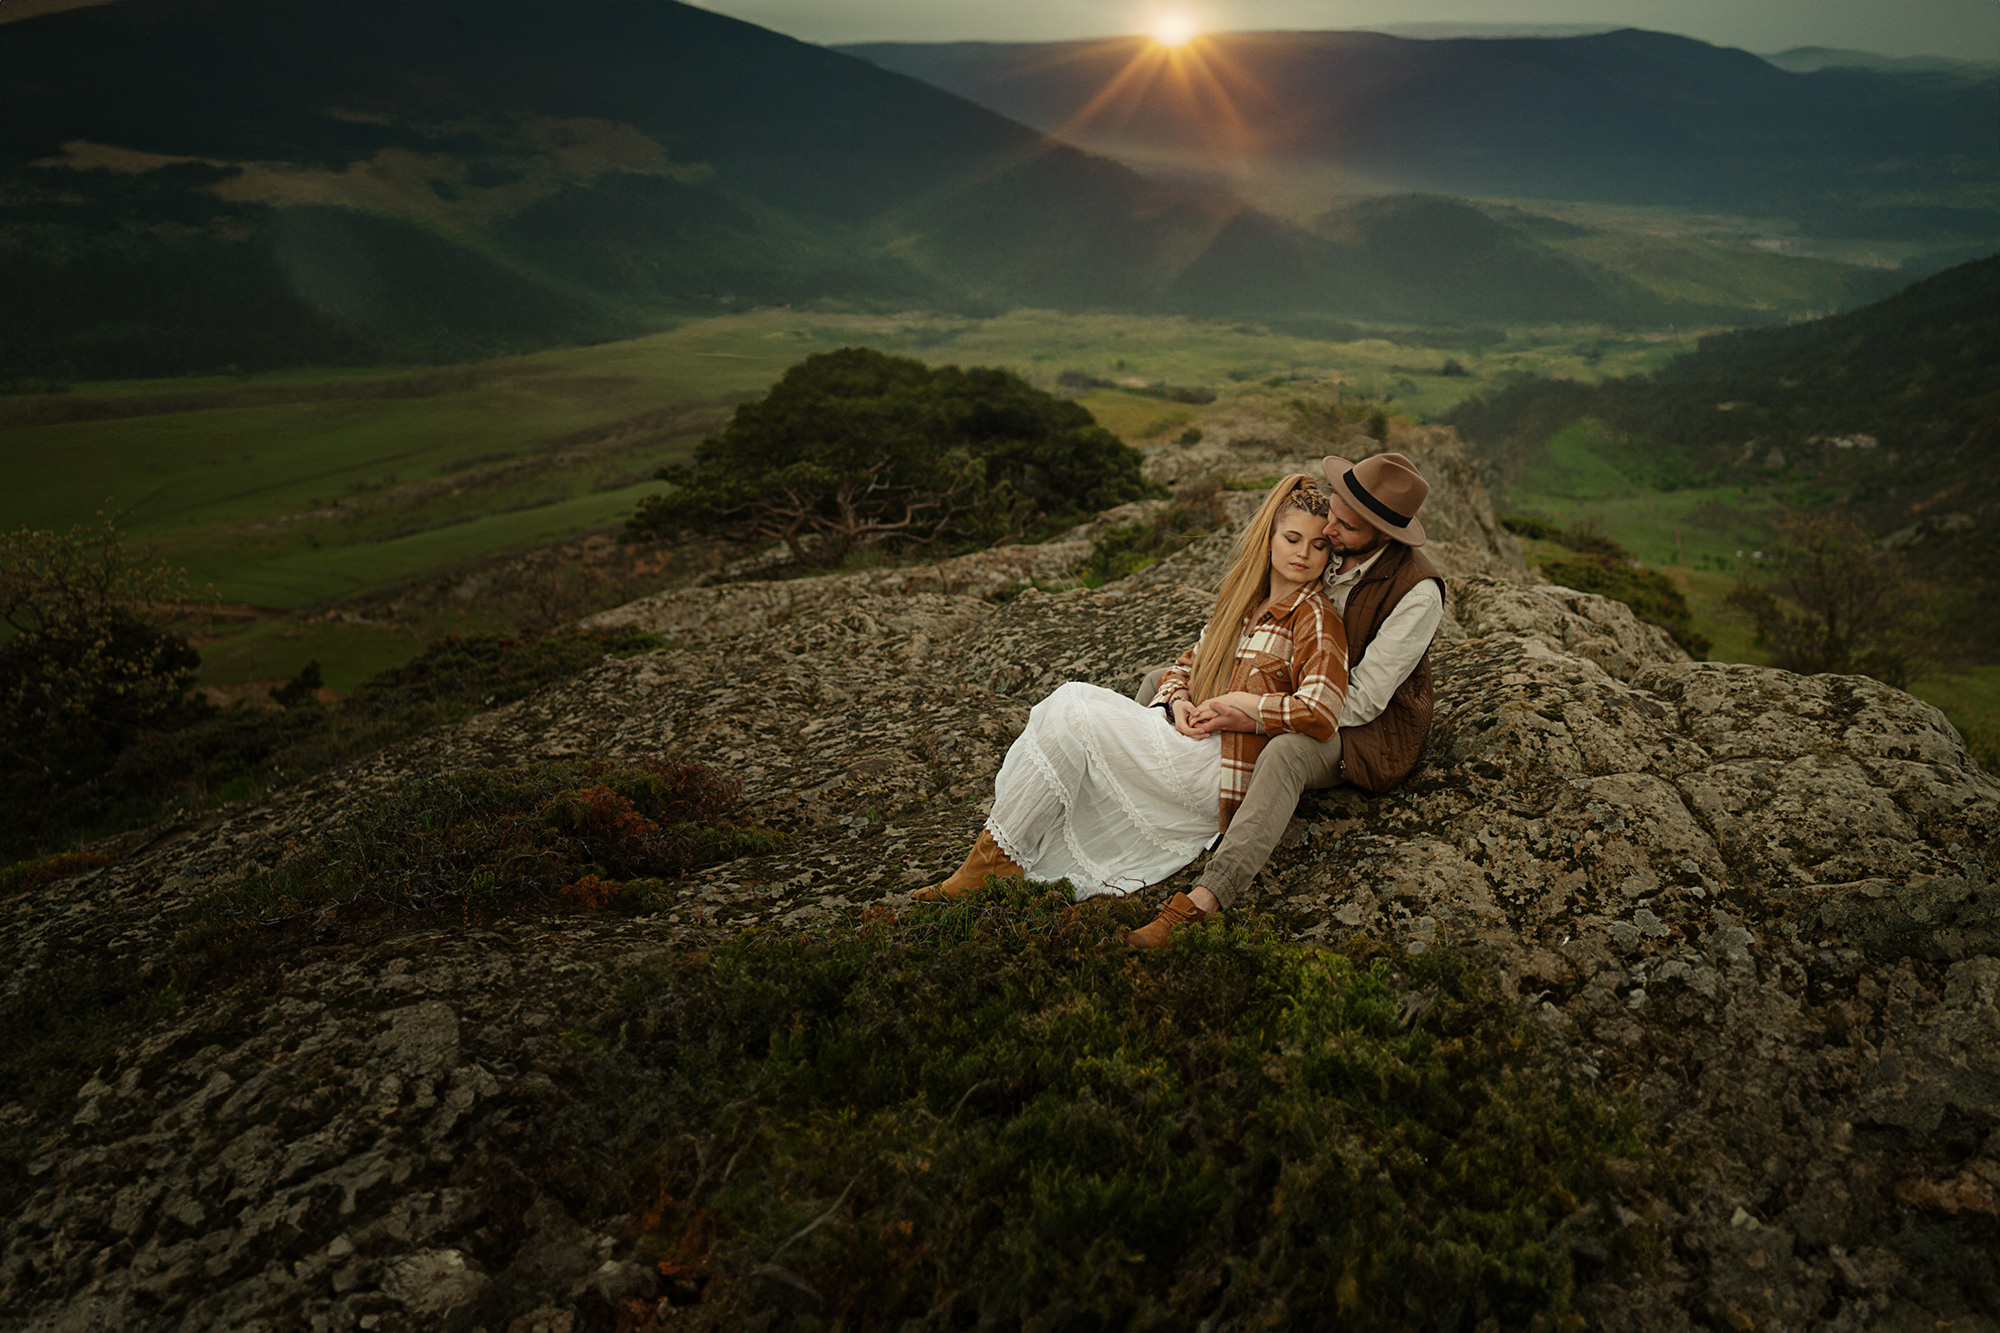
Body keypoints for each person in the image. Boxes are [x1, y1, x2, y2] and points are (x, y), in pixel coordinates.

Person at [913, 476, 1349, 929]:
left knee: (1074, 706)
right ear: (1270, 539)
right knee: (1067, 714)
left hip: (1221, 769)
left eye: (1318, 546)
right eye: (1292, 539)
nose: (1303, 554)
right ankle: (993, 863)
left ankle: (990, 865)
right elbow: (1185, 665)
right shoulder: (1241, 603)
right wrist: (1177, 701)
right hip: (1190, 742)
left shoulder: (1315, 617)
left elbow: (1321, 711)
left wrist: (1248, 707)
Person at [1128, 450, 1444, 945]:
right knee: (1157, 683)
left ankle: (1205, 899)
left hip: (1361, 730)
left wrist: (1252, 710)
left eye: (1346, 528)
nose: (1331, 533)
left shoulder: (1417, 593)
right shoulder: (1328, 541)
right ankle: (1132, 797)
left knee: (1287, 752)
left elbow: (1358, 702)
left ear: (1385, 535)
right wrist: (1203, 689)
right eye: (1333, 515)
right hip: (1294, 687)